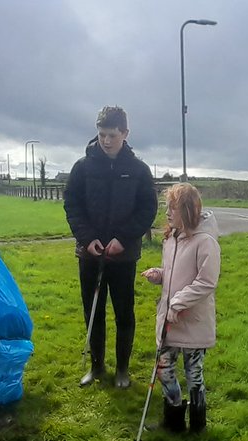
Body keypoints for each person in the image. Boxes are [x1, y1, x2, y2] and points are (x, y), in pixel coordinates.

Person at [64, 106, 158, 388]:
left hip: (123, 255)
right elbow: (72, 205)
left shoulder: (139, 170)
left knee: (124, 312)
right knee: (93, 310)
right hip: (90, 253)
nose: (106, 141)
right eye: (102, 134)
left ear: (125, 134)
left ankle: (123, 371)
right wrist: (86, 238)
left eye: (112, 135)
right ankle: (96, 367)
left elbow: (147, 209)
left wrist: (124, 239)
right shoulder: (82, 167)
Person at [141, 183, 220, 433]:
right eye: (167, 207)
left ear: (187, 210)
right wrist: (161, 275)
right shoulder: (171, 238)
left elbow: (206, 281)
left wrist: (178, 301)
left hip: (193, 321)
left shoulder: (205, 241)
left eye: (173, 208)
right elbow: (177, 273)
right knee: (164, 370)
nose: (167, 213)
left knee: (194, 375)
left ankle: (198, 426)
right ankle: (173, 421)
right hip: (170, 320)